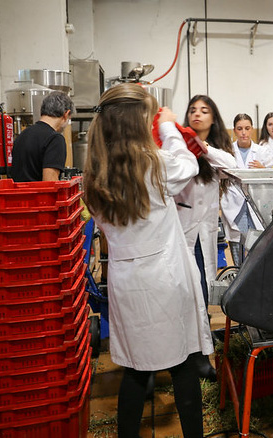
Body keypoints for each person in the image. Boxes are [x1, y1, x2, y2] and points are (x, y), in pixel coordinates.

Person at [82, 83, 212, 438]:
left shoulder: (94, 173)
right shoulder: (155, 164)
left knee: (137, 370)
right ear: (138, 123)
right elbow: (188, 161)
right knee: (184, 363)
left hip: (127, 281)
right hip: (164, 279)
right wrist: (169, 125)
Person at [176, 95, 237, 379]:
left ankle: (200, 350)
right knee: (186, 293)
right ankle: (192, 354)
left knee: (200, 291)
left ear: (213, 118)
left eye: (204, 111)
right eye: (192, 110)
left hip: (204, 236)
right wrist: (189, 146)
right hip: (181, 233)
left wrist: (203, 148)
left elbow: (235, 168)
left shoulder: (217, 151)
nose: (197, 114)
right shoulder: (176, 148)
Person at [10, 91, 74, 182]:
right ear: (66, 114)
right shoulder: (55, 139)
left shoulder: (22, 136)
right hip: (39, 196)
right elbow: (50, 183)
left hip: (16, 196)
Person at [221, 113, 255, 266]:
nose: (243, 132)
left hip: (255, 206)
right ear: (234, 130)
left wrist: (264, 169)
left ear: (252, 129)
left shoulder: (262, 151)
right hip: (235, 206)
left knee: (256, 248)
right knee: (237, 250)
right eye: (240, 129)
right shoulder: (227, 152)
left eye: (247, 128)